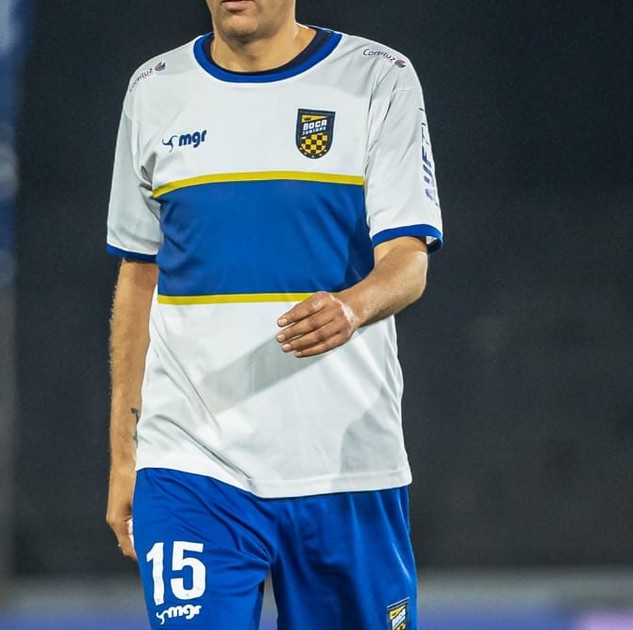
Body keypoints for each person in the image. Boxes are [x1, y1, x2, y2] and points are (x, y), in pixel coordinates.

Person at [105, 1, 442, 627]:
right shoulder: (153, 89)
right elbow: (139, 273)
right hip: (191, 465)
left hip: (344, 470)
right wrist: (126, 455)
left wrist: (351, 307)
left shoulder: (378, 77)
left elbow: (407, 260)